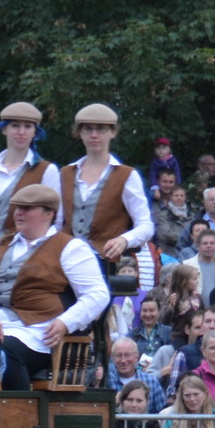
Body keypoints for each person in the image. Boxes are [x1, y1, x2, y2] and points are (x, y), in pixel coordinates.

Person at [0, 183, 109, 390]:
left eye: (27, 208)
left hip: (37, 334)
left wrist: (65, 322)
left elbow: (98, 294)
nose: (19, 213)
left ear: (49, 214)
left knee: (3, 351)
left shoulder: (70, 247)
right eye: (17, 208)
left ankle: (20, 415)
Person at [57, 104, 153, 293]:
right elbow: (57, 223)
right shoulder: (65, 173)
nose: (94, 135)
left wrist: (124, 240)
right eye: (88, 129)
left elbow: (146, 225)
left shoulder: (126, 175)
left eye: (101, 129)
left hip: (103, 263)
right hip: (65, 261)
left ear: (113, 132)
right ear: (79, 133)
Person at [0, 101, 55, 254]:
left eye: (28, 126)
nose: (21, 132)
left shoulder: (47, 170)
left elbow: (54, 221)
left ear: (35, 132)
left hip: (27, 255)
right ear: (4, 129)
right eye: (15, 126)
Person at [152, 263, 203, 347]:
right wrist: (171, 308)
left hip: (197, 334)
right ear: (184, 282)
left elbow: (202, 314)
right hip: (179, 336)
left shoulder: (197, 297)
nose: (197, 282)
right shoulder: (174, 298)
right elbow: (165, 321)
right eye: (194, 279)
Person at [107, 337, 165, 410]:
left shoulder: (151, 382)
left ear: (136, 357)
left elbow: (162, 415)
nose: (123, 360)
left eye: (127, 355)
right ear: (113, 358)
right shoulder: (106, 381)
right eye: (118, 355)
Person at [153, 184, 193, 253]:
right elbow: (165, 235)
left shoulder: (191, 216)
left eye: (181, 195)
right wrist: (186, 238)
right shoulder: (162, 215)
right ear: (170, 197)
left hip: (186, 252)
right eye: (176, 195)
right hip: (168, 253)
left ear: (185, 197)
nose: (179, 198)